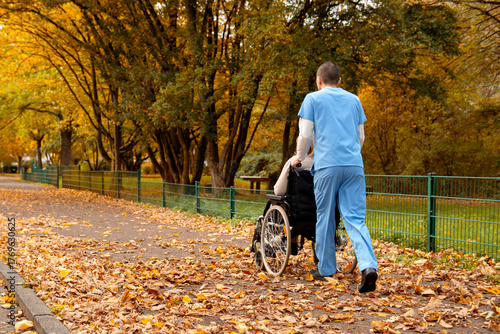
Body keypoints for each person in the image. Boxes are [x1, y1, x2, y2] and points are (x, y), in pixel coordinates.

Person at [291, 61, 378, 293]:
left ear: (319, 80)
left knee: (325, 216)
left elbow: (305, 135)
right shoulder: (354, 100)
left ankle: (326, 269)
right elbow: (360, 137)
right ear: (339, 81)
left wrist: (299, 157)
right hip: (353, 165)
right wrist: (350, 155)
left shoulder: (312, 99)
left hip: (327, 166)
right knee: (355, 219)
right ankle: (369, 266)